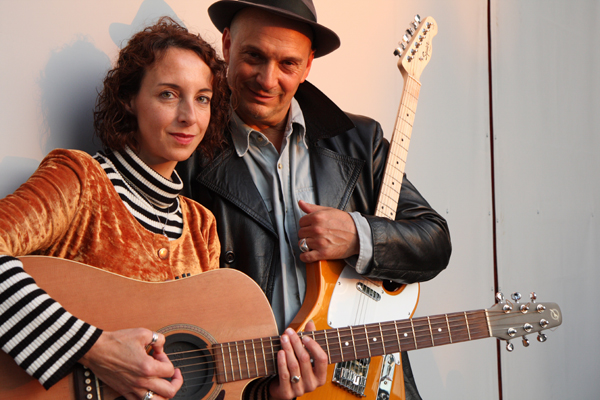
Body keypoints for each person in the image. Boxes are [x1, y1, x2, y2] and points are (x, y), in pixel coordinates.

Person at [0, 17, 323, 400]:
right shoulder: (81, 179)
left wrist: (273, 392)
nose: (189, 116)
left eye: (202, 98)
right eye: (169, 94)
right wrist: (96, 349)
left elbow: (198, 385)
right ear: (130, 99)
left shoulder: (201, 225)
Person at [177, 1, 453, 399]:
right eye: (254, 56)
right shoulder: (188, 152)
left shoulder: (361, 141)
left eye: (287, 64)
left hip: (367, 382)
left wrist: (359, 236)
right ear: (227, 44)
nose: (267, 79)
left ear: (307, 67)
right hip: (255, 387)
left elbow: (434, 240)